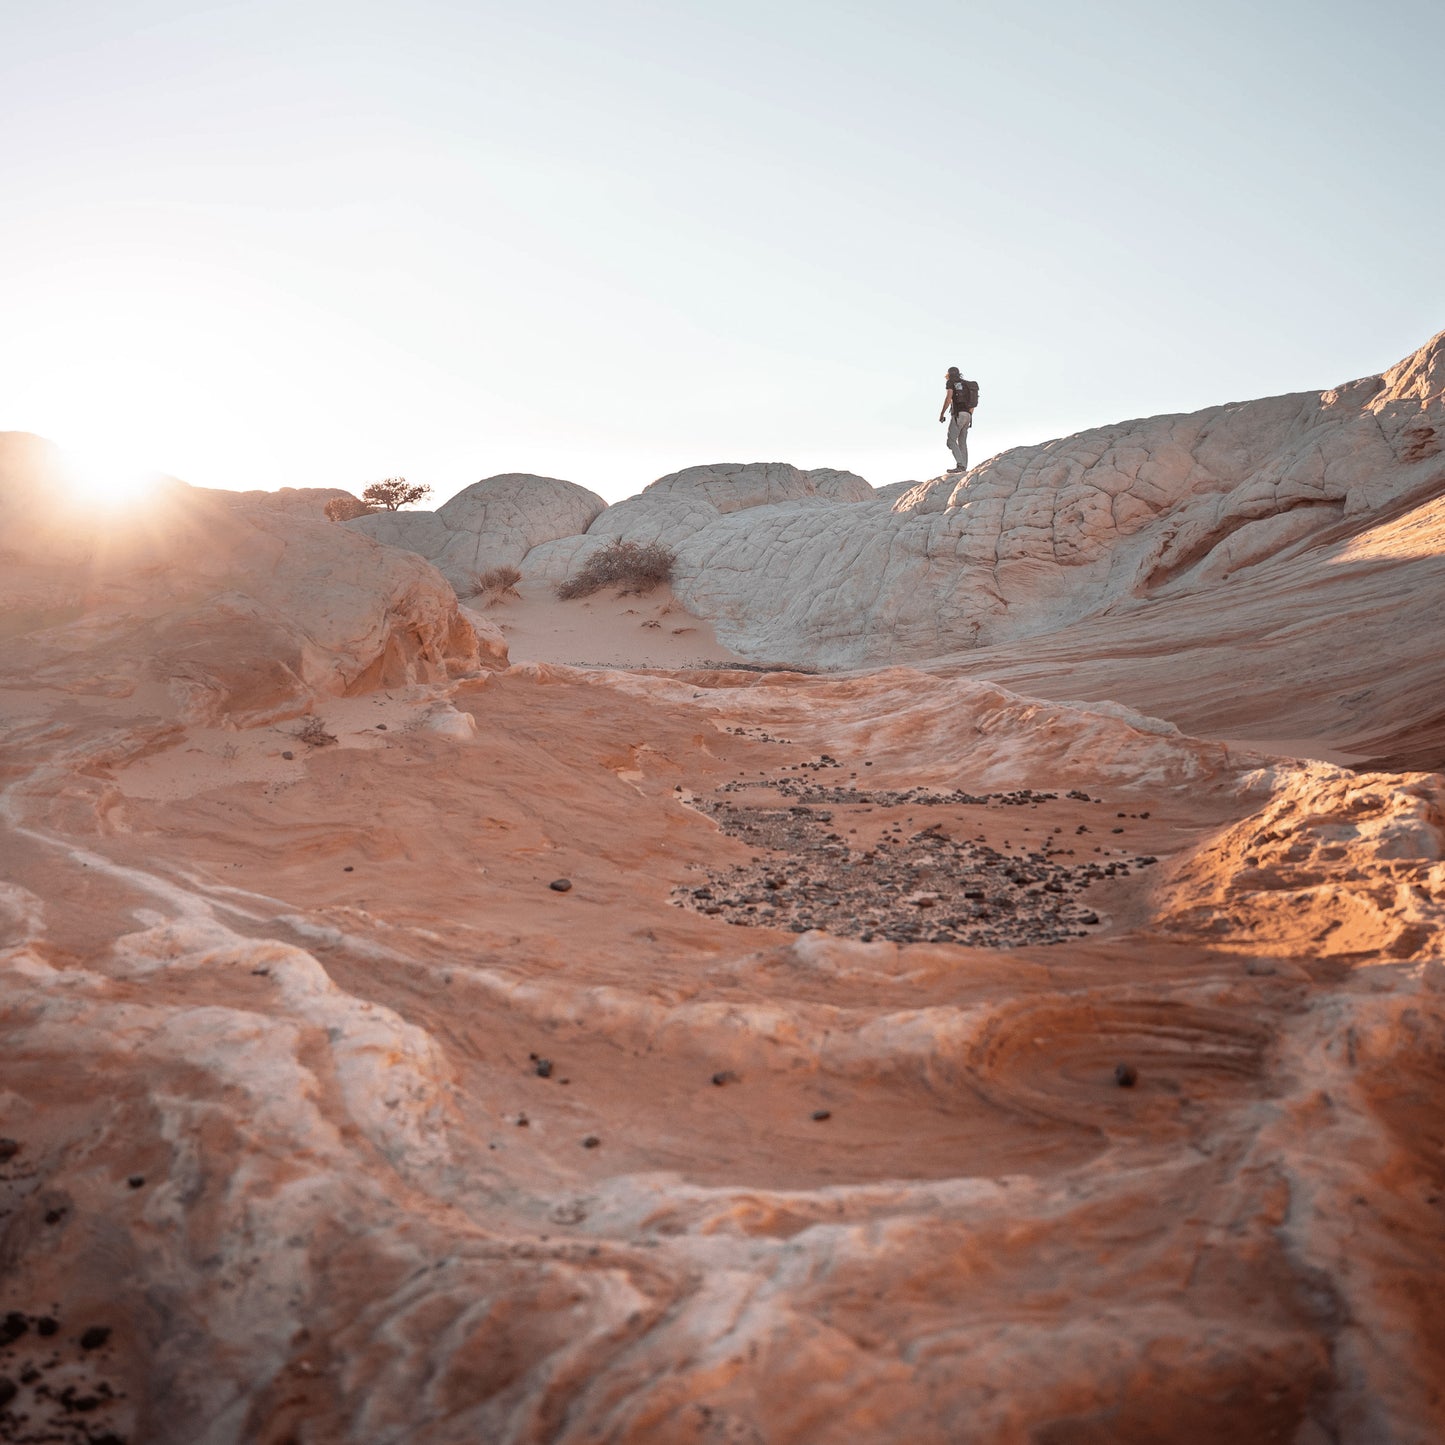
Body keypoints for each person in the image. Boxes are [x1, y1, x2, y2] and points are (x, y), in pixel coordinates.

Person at [938, 365, 974, 473]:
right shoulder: (967, 384)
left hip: (958, 415)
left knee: (951, 441)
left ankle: (960, 465)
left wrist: (942, 413)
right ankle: (963, 467)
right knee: (962, 442)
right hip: (968, 415)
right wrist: (969, 415)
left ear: (949, 374)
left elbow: (949, 398)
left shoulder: (951, 382)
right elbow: (973, 402)